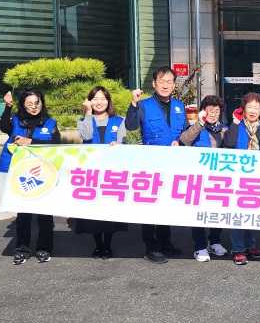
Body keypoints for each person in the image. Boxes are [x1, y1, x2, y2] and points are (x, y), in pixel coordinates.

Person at [125, 66, 185, 264]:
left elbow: (185, 133)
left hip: (173, 164)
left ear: (174, 85)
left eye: (169, 82)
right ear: (154, 83)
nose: (165, 85)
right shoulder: (143, 105)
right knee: (151, 205)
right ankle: (151, 247)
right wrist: (134, 103)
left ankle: (166, 242)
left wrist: (181, 143)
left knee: (167, 204)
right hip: (151, 164)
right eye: (161, 81)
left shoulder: (179, 106)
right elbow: (131, 126)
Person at [0, 88, 60, 265]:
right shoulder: (16, 121)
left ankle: (44, 249)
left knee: (45, 215)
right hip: (21, 174)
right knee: (23, 215)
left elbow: (56, 145)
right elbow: (3, 127)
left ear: (42, 103)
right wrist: (8, 107)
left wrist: (31, 142)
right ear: (23, 105)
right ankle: (21, 250)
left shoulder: (50, 123)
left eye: (37, 103)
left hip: (44, 174)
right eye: (29, 103)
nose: (34, 107)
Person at [222, 92, 260, 265]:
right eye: (249, 107)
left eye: (256, 107)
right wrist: (234, 123)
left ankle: (250, 245)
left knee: (253, 212)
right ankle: (237, 249)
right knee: (237, 213)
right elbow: (228, 144)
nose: (252, 110)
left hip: (257, 176)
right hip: (238, 176)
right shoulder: (237, 125)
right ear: (243, 109)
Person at [74, 86, 128, 259]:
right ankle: (98, 245)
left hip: (111, 172)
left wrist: (118, 146)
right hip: (91, 172)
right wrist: (88, 113)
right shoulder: (83, 121)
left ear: (108, 101)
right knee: (94, 211)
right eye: (95, 99)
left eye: (103, 99)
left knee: (109, 210)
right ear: (89, 101)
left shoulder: (119, 121)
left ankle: (108, 244)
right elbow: (86, 136)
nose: (99, 102)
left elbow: (124, 144)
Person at [179, 95, 229, 262]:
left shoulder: (224, 130)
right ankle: (199, 247)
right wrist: (199, 124)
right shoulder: (196, 127)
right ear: (203, 111)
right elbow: (184, 140)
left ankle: (214, 242)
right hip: (199, 178)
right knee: (199, 213)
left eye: (216, 111)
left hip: (219, 179)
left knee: (217, 212)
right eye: (209, 110)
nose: (213, 114)